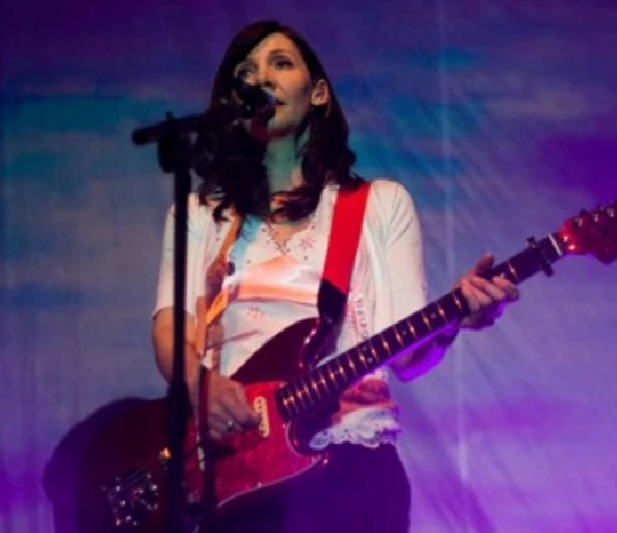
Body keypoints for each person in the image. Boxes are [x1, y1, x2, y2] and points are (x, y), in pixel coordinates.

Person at [151, 19, 519, 533]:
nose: (262, 78)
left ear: (318, 92)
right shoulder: (199, 214)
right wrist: (200, 385)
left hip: (349, 466)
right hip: (237, 473)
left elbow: (408, 358)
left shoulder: (378, 206)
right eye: (246, 72)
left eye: (280, 63)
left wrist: (454, 318)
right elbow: (168, 329)